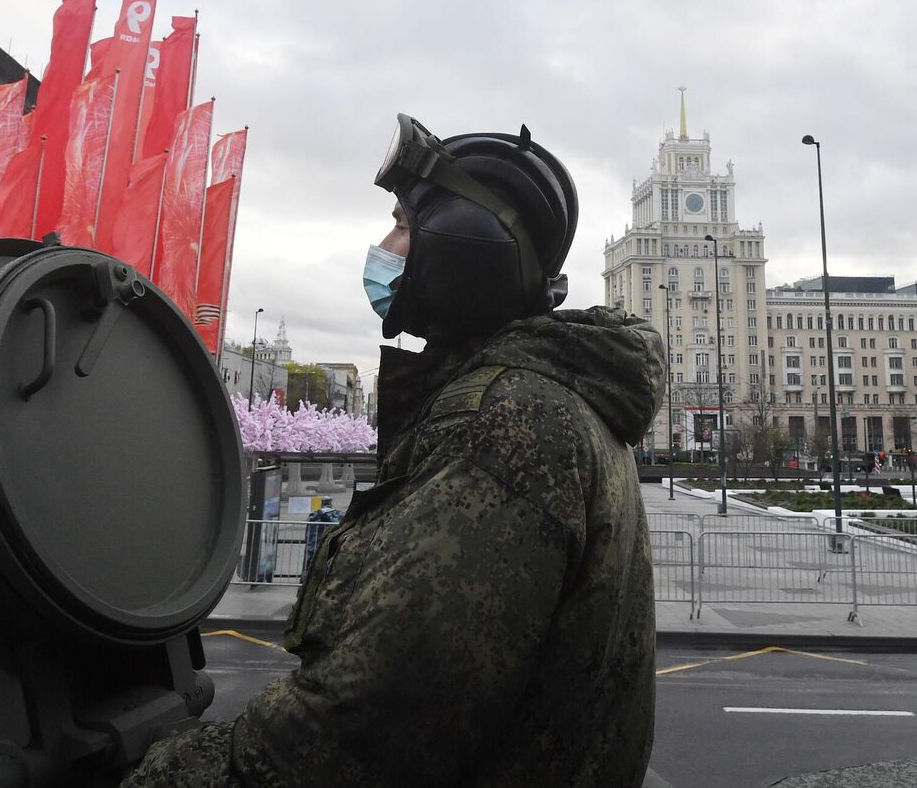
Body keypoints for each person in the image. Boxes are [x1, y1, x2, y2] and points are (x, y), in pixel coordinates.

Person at [125, 115, 663, 788]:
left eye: (404, 225)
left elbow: (352, 735)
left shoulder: (500, 428)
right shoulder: (544, 396)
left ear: (465, 249)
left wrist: (164, 772)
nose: (384, 246)